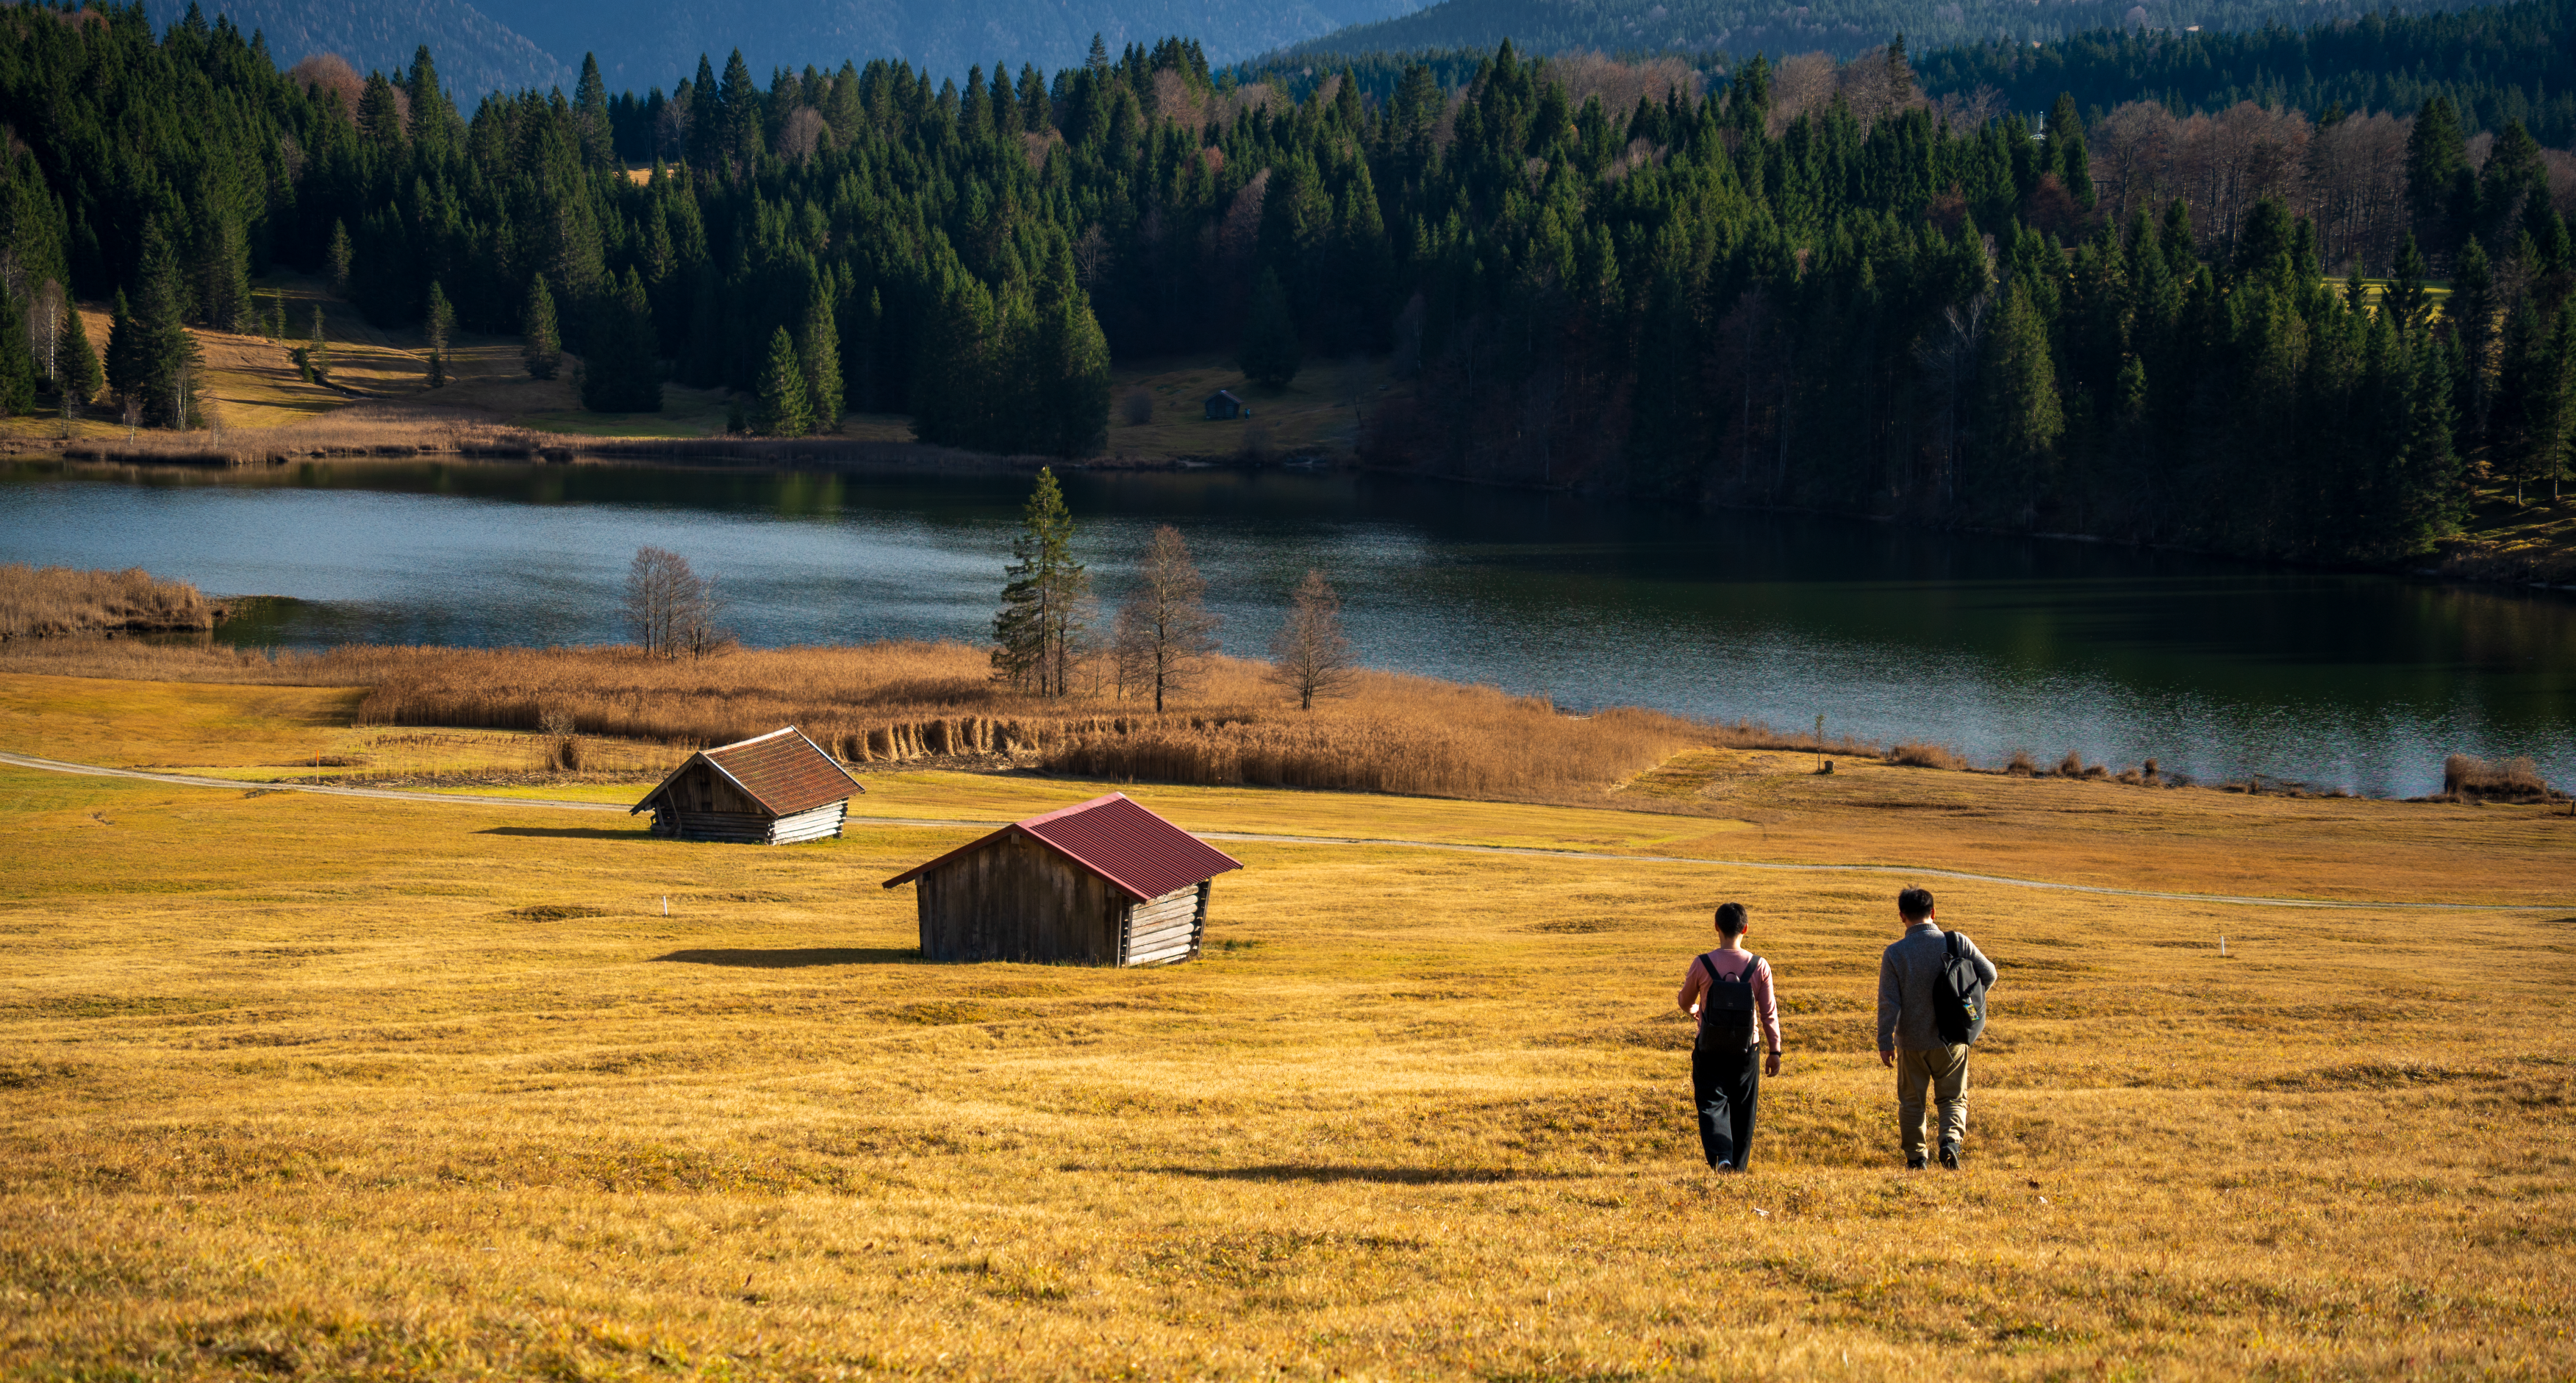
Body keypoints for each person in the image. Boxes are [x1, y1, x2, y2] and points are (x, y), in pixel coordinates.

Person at [1876, 886, 1997, 1170]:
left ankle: (1917, 1158)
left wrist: (1885, 1040)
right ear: (1933, 912)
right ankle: (1950, 1142)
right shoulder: (1957, 942)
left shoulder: (1895, 953)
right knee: (1953, 1097)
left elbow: (1888, 1002)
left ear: (1902, 916)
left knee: (1911, 1103)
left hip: (1911, 1041)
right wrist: (1970, 1004)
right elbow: (1989, 973)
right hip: (1952, 1037)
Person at [1674, 901, 1782, 1172]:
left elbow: (1685, 1001)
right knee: (1745, 1110)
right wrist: (1775, 1051)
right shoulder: (1760, 966)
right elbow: (1769, 1013)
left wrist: (1696, 1010)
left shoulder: (1702, 963)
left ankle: (1722, 1157)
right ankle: (1739, 1167)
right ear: (1745, 928)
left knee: (1711, 1104)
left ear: (1716, 928)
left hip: (1709, 1048)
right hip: (1748, 1049)